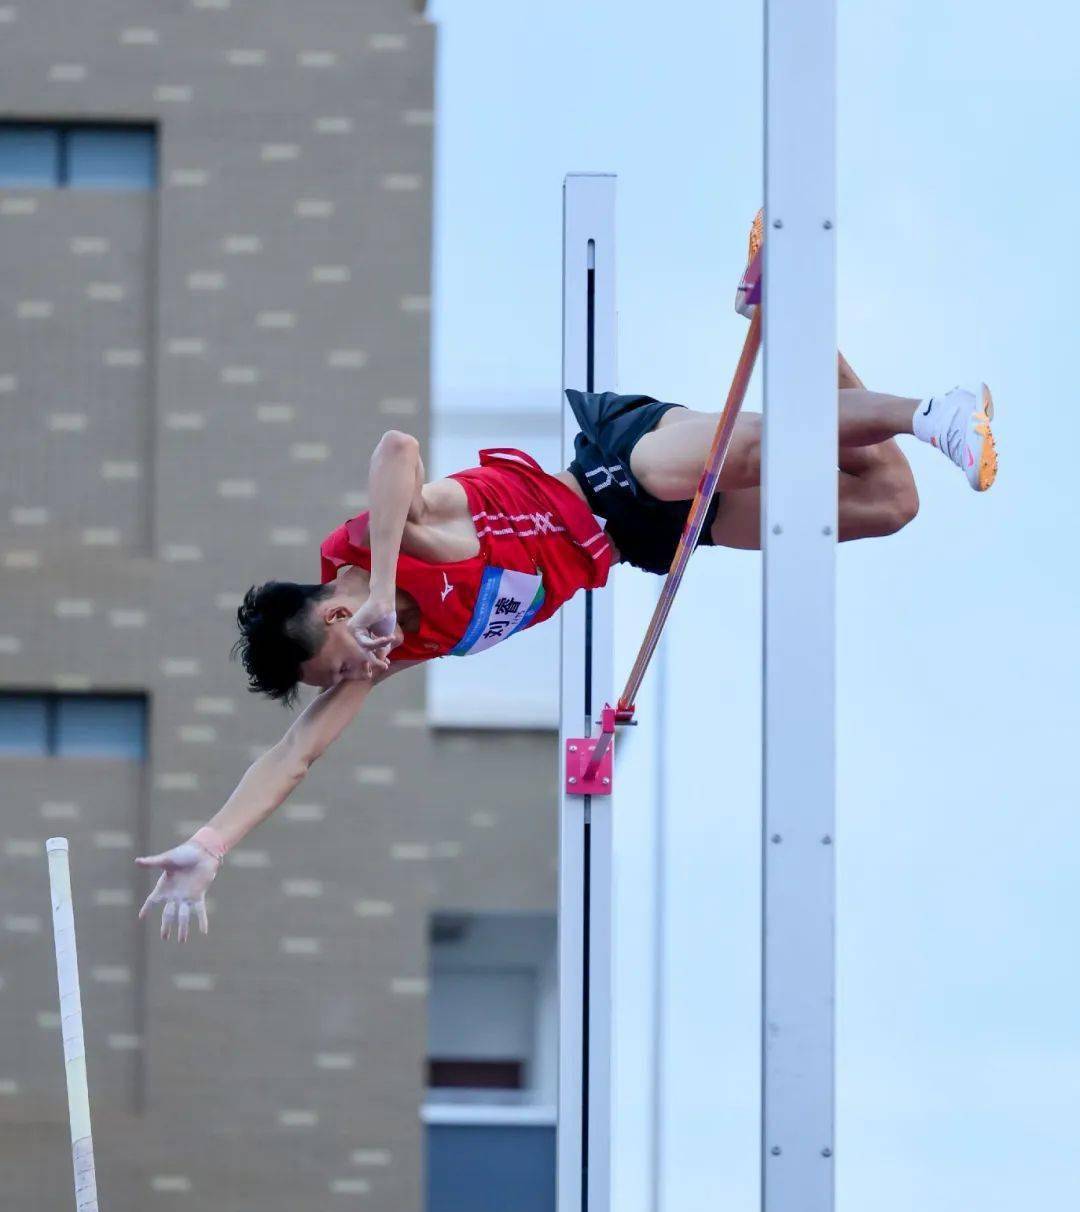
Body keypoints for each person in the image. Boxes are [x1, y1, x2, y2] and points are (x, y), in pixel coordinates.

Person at [136, 224, 997, 939]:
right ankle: (793, 326)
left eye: (339, 661)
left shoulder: (400, 540)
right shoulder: (400, 648)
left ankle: (934, 410)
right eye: (344, 678)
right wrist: (212, 845)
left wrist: (380, 584)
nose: (359, 672)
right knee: (886, 502)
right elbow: (294, 755)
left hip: (619, 468)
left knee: (744, 448)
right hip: (637, 542)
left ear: (332, 609)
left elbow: (397, 448)